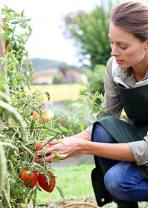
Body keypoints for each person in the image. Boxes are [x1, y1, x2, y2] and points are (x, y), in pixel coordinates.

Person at [39, 1, 148, 208]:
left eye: (123, 46)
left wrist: (82, 147)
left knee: (118, 182)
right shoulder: (115, 68)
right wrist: (64, 143)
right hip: (140, 136)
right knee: (105, 136)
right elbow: (106, 121)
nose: (114, 52)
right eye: (111, 43)